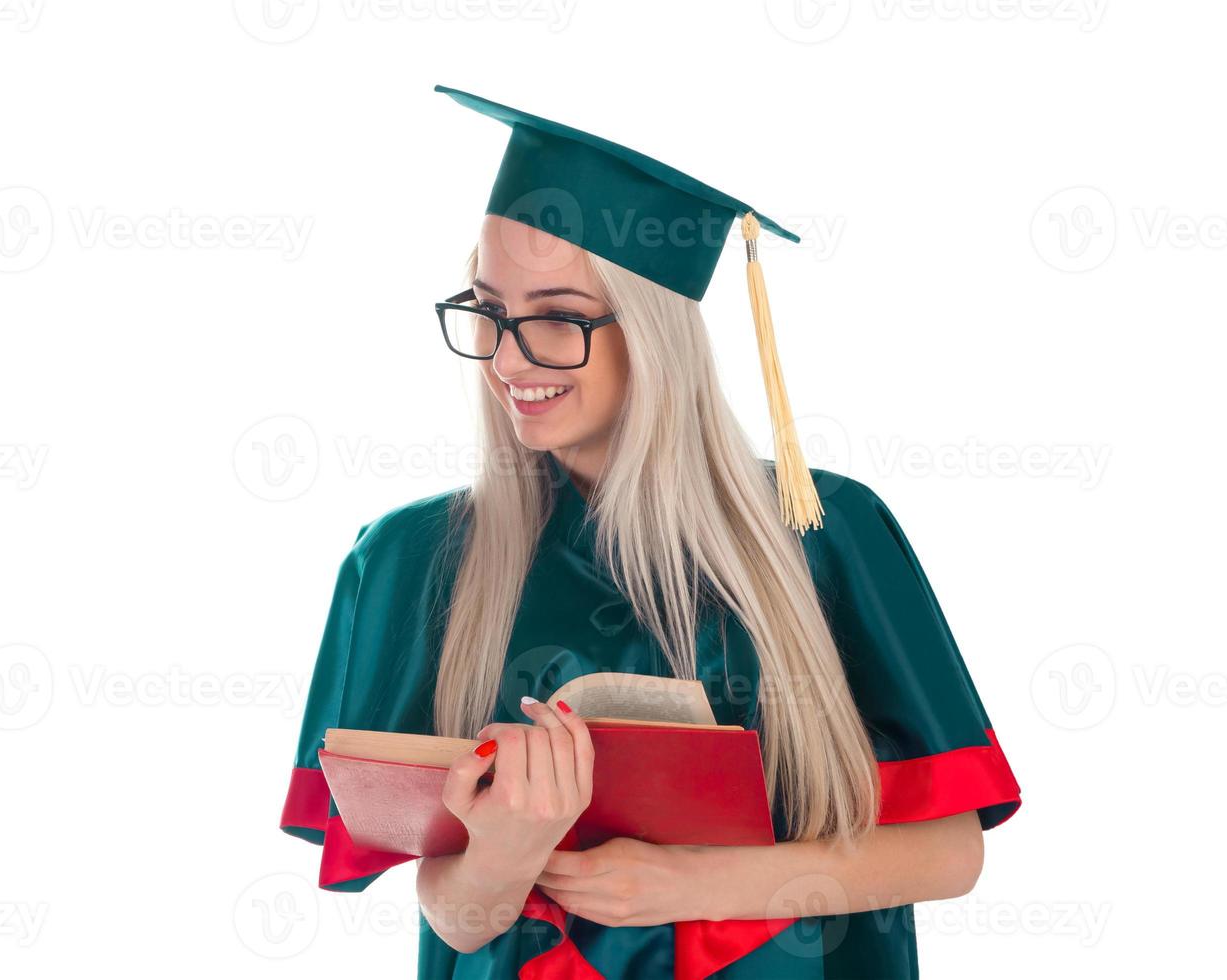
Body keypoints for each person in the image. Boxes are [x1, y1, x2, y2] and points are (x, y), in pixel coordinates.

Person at [279, 83, 1022, 979]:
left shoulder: (820, 531)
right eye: (489, 311)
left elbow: (950, 854)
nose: (511, 359)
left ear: (656, 334)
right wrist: (509, 850)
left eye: (556, 319)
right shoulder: (414, 562)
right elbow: (457, 917)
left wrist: (691, 886)